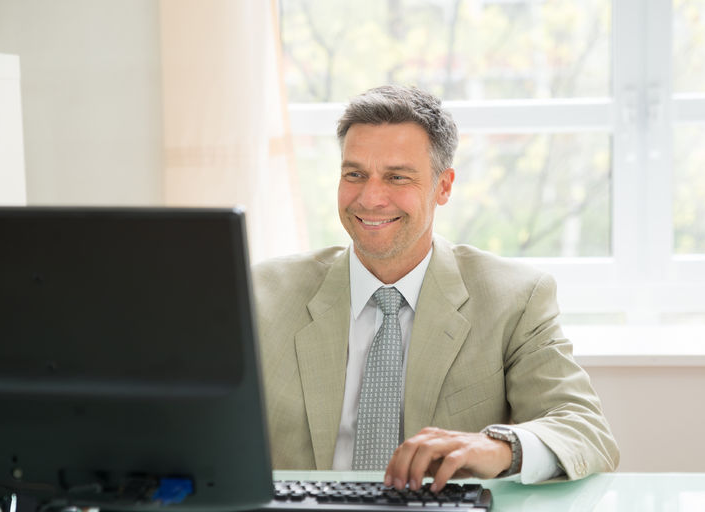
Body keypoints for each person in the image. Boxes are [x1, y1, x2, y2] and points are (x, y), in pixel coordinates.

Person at [253, 85, 619, 490]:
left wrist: (497, 448)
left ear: (443, 187)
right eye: (354, 174)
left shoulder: (515, 298)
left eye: (397, 177)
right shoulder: (262, 295)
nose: (370, 198)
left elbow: (587, 432)